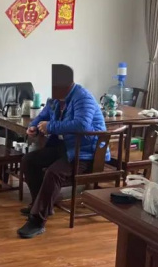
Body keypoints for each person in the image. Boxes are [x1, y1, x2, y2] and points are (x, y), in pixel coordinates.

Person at [18, 65, 108, 239]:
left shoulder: (83, 97)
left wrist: (50, 127)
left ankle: (37, 220)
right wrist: (33, 126)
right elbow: (42, 116)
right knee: (29, 160)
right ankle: (41, 205)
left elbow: (81, 125)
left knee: (53, 173)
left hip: (85, 152)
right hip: (64, 147)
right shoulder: (55, 99)